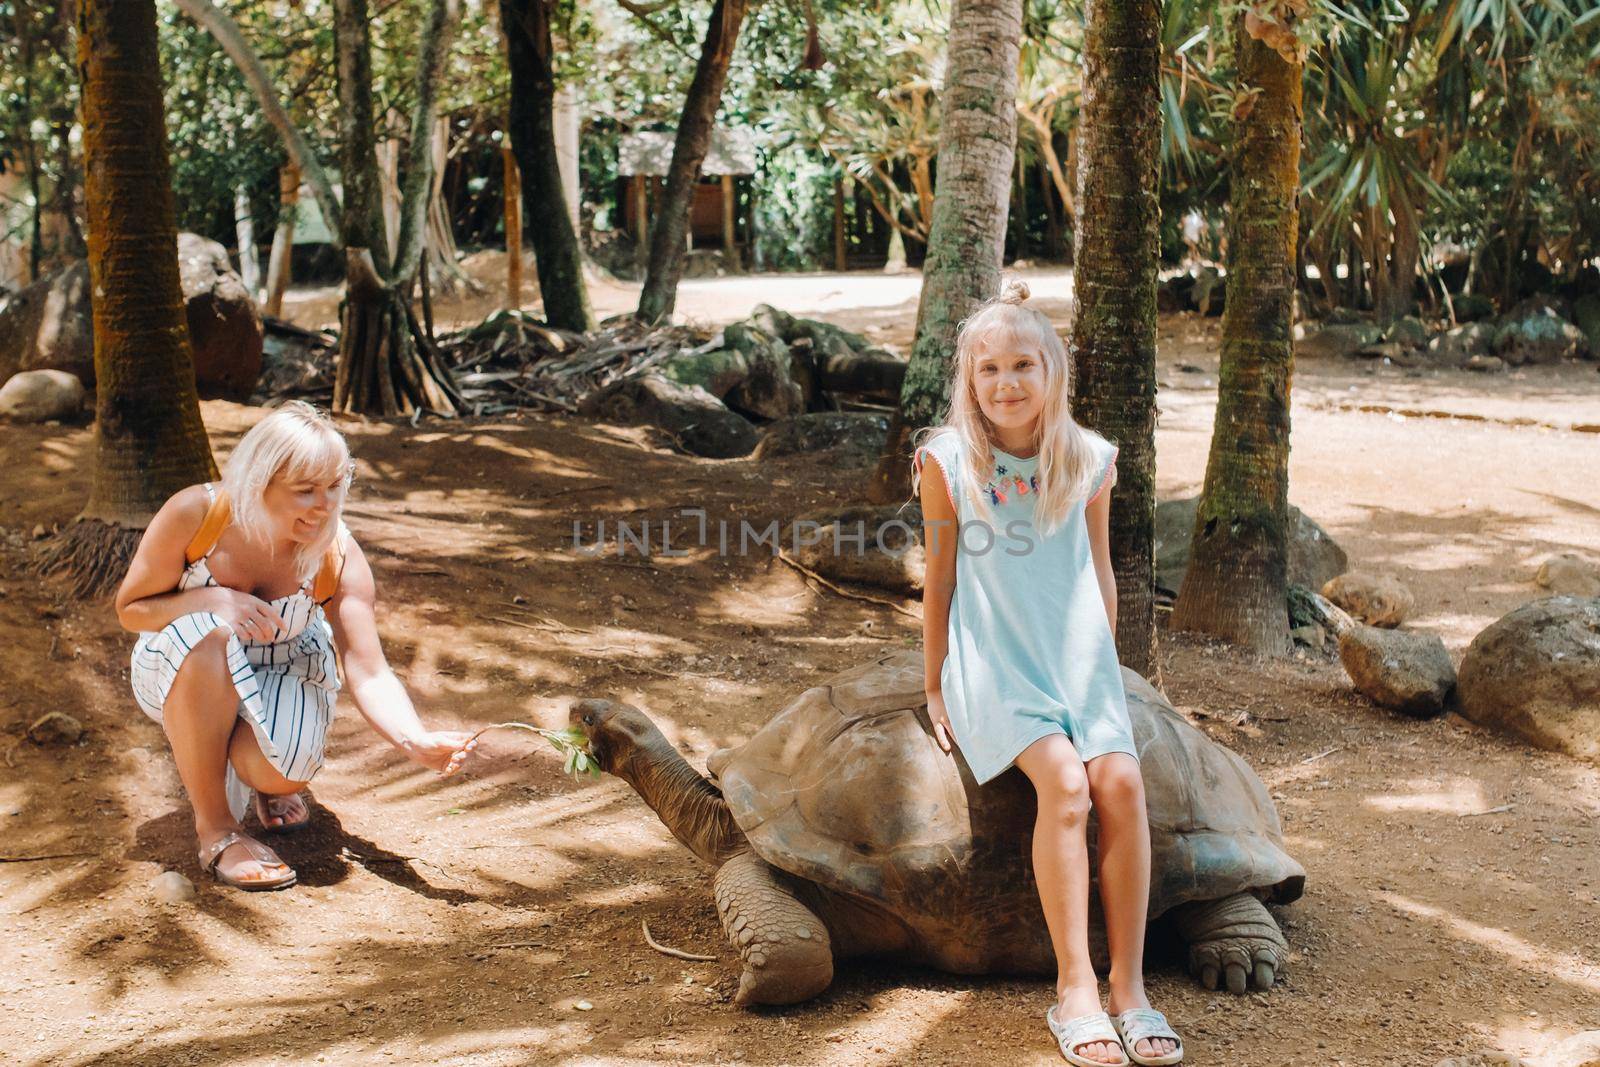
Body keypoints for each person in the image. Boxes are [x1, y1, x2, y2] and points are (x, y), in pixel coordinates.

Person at [912, 282, 1183, 1066]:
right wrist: (935, 683)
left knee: (1122, 785)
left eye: (1022, 364)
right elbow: (940, 576)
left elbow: (1099, 570)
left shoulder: (1089, 459)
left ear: (1051, 370)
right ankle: (1076, 988)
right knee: (1064, 783)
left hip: (1078, 659)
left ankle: (1130, 987)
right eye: (990, 368)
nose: (1007, 382)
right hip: (994, 657)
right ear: (969, 380)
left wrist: (1108, 672)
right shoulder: (948, 462)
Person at [115, 401, 477, 891]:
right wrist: (213, 598)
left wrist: (412, 739)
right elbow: (132, 608)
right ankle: (218, 829)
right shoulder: (196, 514)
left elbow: (367, 669)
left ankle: (260, 781)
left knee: (281, 772)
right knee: (210, 635)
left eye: (334, 486)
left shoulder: (337, 551)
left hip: (283, 664)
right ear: (256, 483)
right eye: (305, 491)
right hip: (183, 661)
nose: (324, 505)